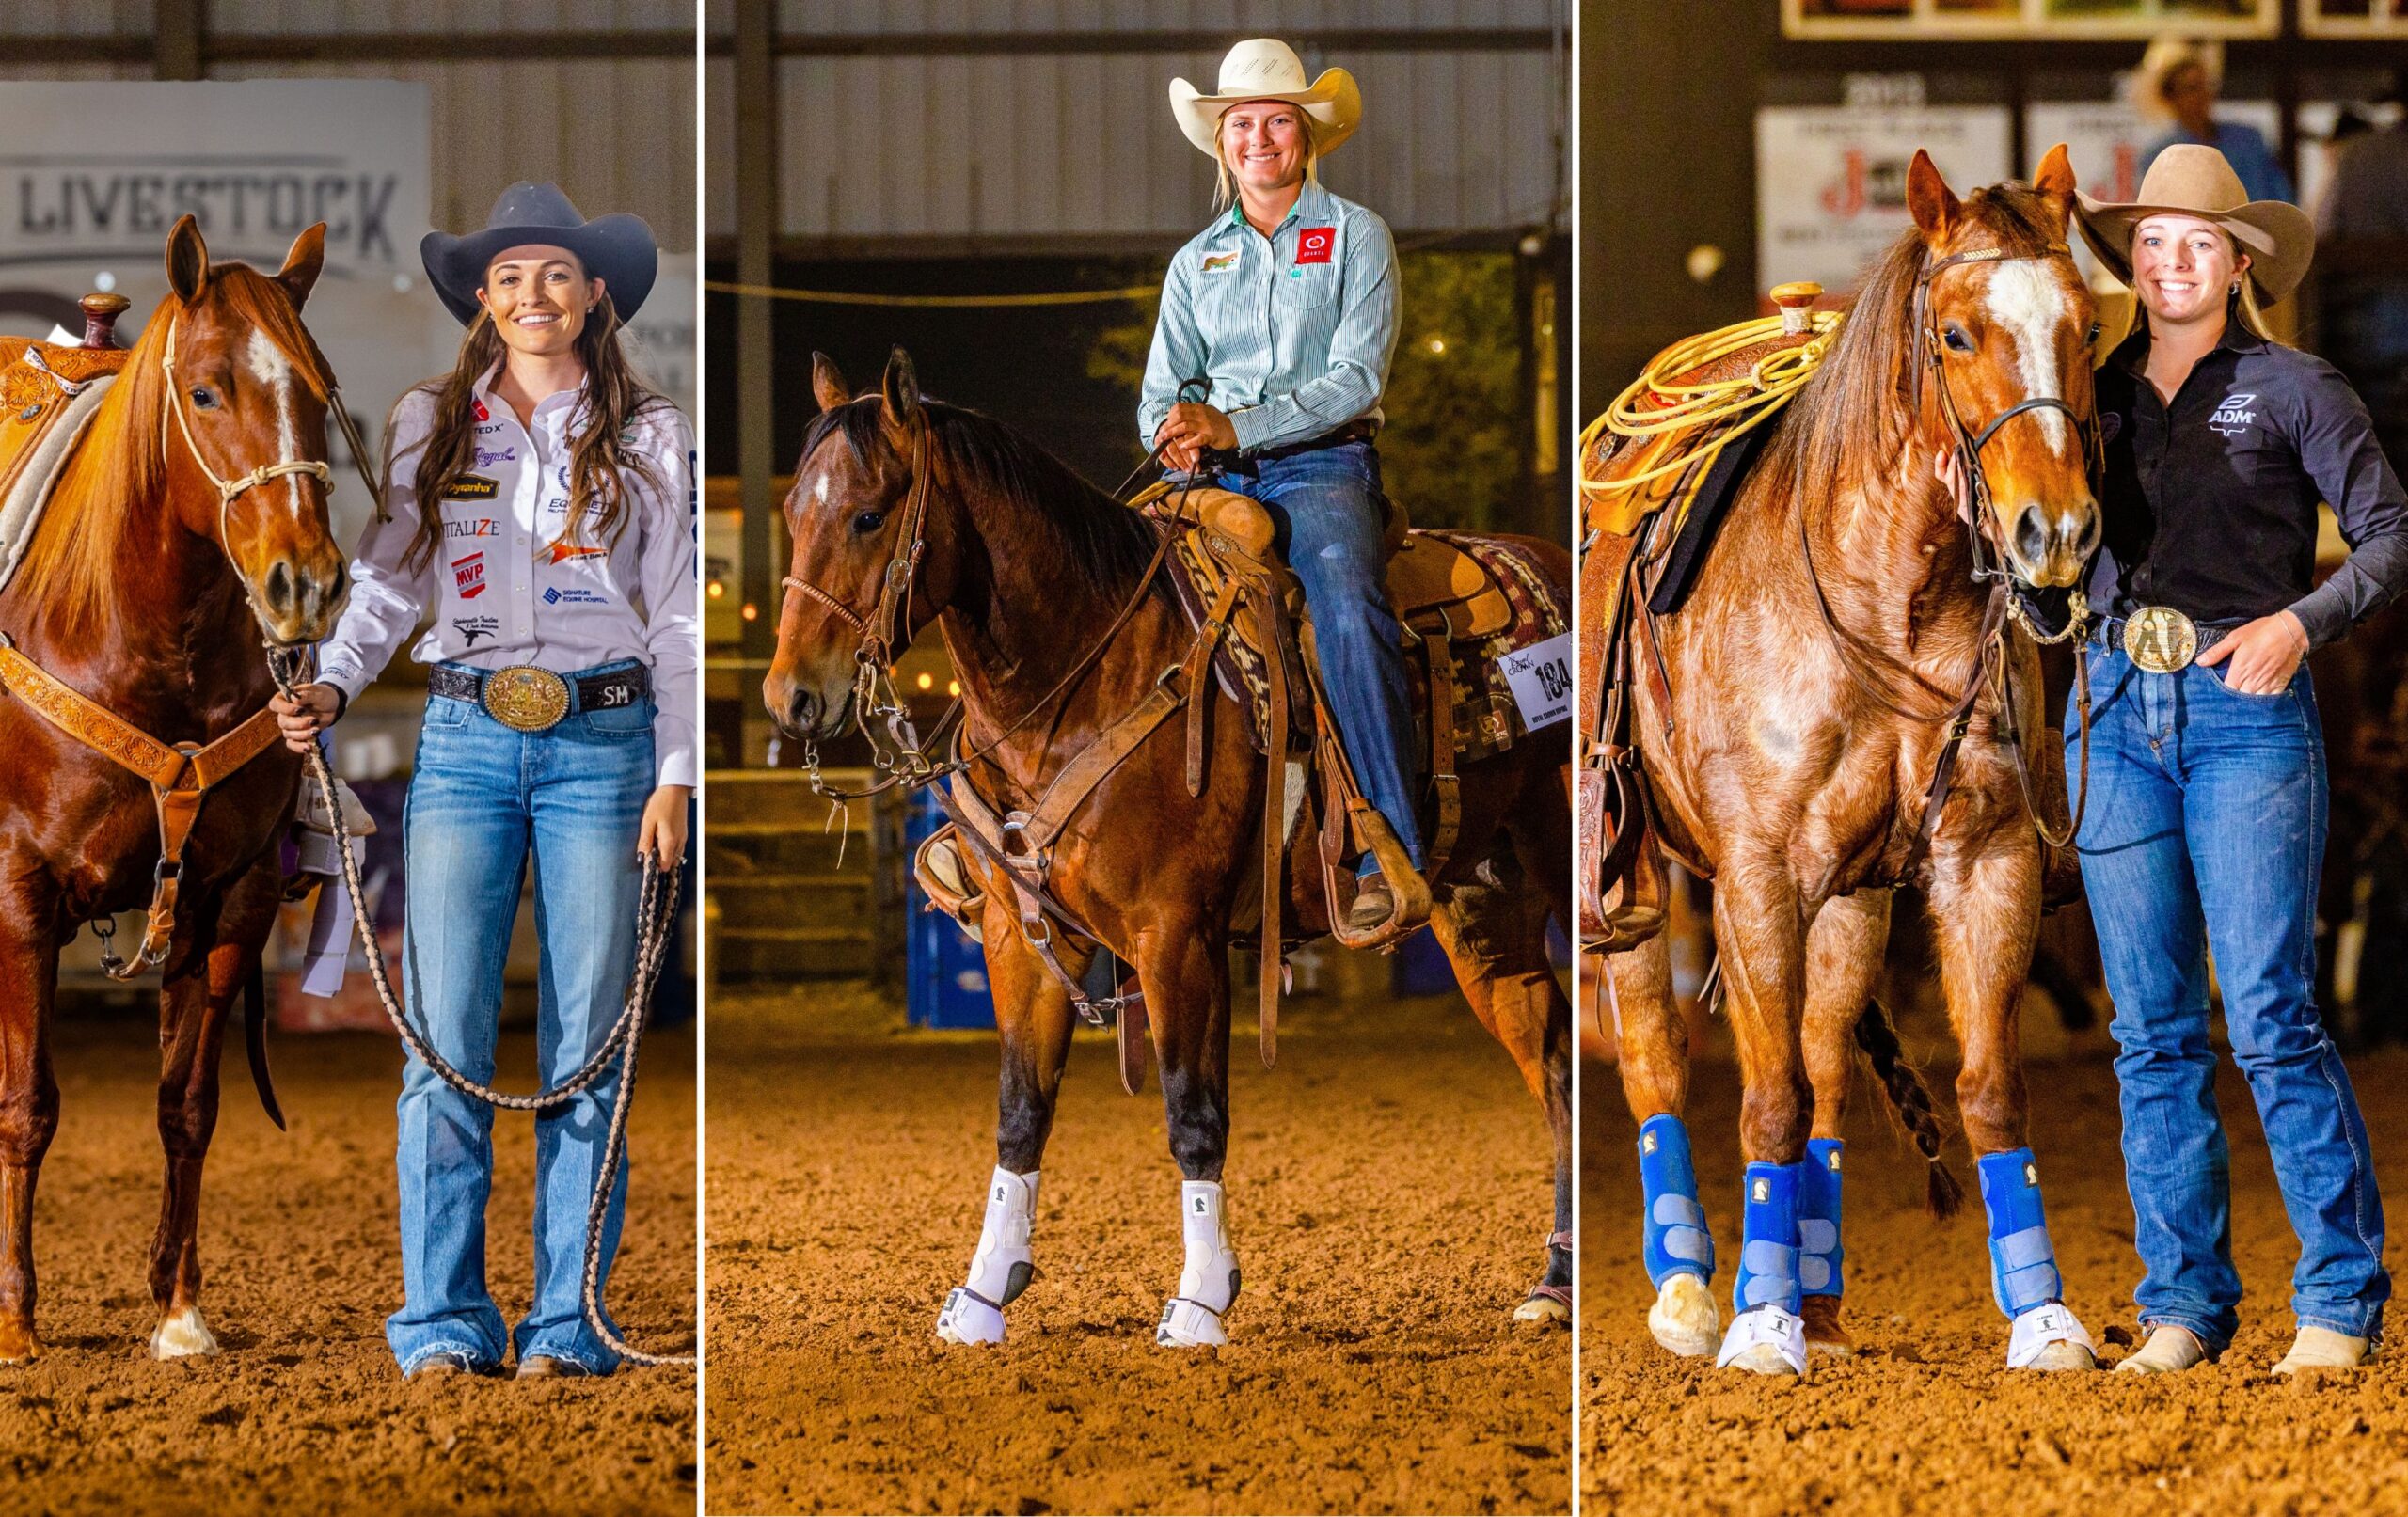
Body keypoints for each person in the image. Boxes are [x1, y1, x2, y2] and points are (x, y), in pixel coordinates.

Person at [270, 183, 698, 1380]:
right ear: (482, 296)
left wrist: (676, 775)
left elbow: (674, 613)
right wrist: (332, 684)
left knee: (588, 1050)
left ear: (595, 293)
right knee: (442, 1045)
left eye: (555, 273)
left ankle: (568, 1321)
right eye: (508, 277)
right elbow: (390, 581)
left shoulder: (651, 432)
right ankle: (444, 1321)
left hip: (605, 745)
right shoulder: (430, 421)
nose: (531, 295)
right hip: (462, 740)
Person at [2068, 145, 2407, 1376]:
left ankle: (2338, 1297)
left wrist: (2300, 623)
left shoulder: (2296, 388)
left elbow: (2389, 533)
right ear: (2132, 259)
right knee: (2151, 1029)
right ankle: (2182, 1307)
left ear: (2240, 261)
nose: (2172, 261)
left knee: (2268, 1011)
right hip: (2112, 707)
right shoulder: (2084, 394)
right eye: (2153, 241)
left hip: (2244, 713)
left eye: (2199, 242)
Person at [1139, 38, 1414, 934]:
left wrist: (1237, 426)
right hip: (1209, 478)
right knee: (1109, 590)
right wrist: (1174, 433)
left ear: (1308, 136)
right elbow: (1158, 393)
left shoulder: (1358, 237)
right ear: (1222, 143)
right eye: (1242, 124)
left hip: (1322, 466)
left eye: (1277, 122)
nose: (1258, 138)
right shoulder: (1195, 263)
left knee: (1346, 604)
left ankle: (1387, 847)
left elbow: (1356, 380)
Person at [2134, 37, 2294, 205]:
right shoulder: (2158, 156)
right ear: (2171, 97)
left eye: (2205, 85)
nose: (2202, 95)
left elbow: (2282, 197)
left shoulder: (2249, 139)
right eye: (2191, 88)